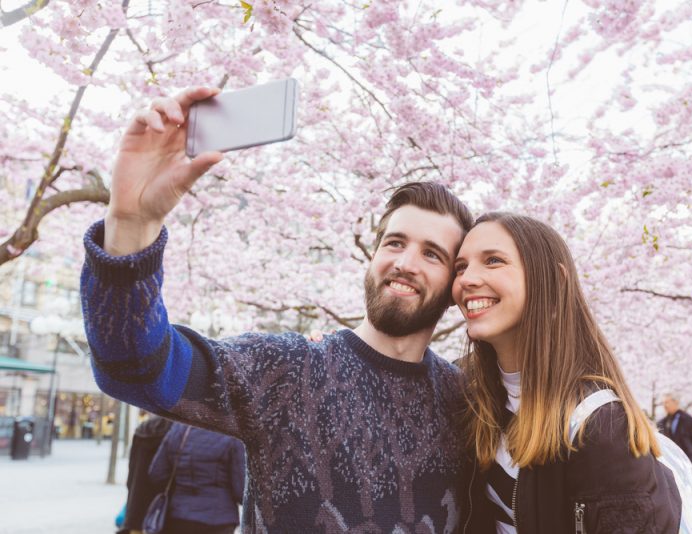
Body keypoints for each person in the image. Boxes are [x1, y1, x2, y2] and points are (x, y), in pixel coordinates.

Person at [81, 87, 474, 532]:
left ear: (455, 282)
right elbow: (132, 366)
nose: (405, 263)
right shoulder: (287, 369)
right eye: (395, 242)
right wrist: (131, 224)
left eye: (432, 254)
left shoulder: (467, 402)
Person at [453, 213, 681, 533]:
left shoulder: (603, 427)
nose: (466, 280)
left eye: (493, 261)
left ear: (556, 281)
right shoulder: (469, 397)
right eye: (460, 267)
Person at [148, 422, 245, 534]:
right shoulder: (231, 434)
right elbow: (241, 490)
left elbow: (156, 473)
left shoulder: (179, 429)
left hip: (179, 516)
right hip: (218, 520)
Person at [119, 413, 173, 534]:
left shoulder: (143, 428)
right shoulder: (179, 432)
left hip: (137, 508)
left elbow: (131, 474)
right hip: (162, 510)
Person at [658, 393, 692, 484]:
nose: (665, 405)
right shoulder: (662, 422)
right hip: (672, 462)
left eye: (667, 402)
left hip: (689, 460)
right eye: (663, 403)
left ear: (676, 402)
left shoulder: (689, 420)